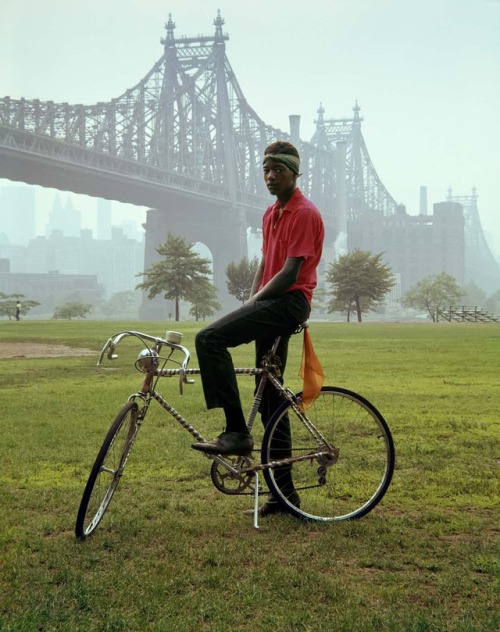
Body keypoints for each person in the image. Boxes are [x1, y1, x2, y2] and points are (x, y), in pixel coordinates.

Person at [192, 140, 325, 515]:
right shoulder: (271, 214)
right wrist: (250, 298)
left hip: (289, 303)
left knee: (209, 338)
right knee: (271, 401)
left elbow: (289, 273)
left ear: (294, 173)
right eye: (266, 170)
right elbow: (266, 261)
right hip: (271, 301)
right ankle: (284, 495)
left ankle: (236, 432)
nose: (270, 176)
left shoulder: (304, 213)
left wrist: (255, 303)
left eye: (277, 170)